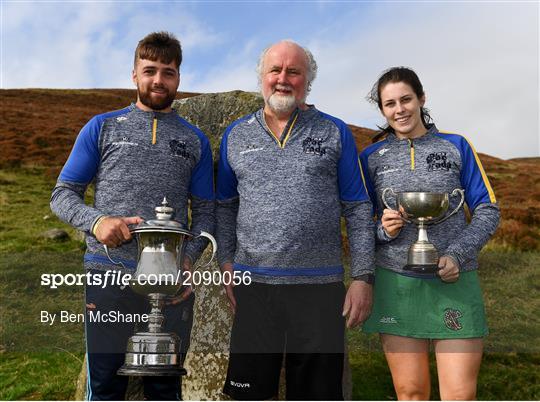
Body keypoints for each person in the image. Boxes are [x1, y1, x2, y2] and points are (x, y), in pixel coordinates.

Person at [50, 31, 214, 400]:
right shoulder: (103, 127)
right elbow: (62, 195)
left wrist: (187, 261)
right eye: (150, 70)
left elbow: (206, 212)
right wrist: (97, 222)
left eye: (168, 72)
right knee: (106, 383)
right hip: (108, 276)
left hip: (170, 285)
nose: (159, 80)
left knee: (165, 385)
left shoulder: (194, 140)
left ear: (178, 78)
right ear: (134, 74)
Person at [216, 39, 375, 400]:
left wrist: (363, 277)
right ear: (262, 78)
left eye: (294, 71)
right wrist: (226, 260)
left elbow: (358, 207)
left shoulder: (334, 132)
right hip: (253, 288)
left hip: (320, 289)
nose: (283, 78)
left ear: (308, 80)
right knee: (247, 395)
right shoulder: (236, 135)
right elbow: (224, 205)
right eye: (275, 70)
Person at [359, 66, 500, 400]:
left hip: (454, 279)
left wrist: (457, 254)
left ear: (421, 99)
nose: (399, 109)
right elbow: (359, 223)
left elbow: (487, 209)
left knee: (459, 395)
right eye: (389, 103)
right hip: (396, 283)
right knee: (410, 393)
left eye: (406, 99)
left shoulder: (457, 146)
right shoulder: (370, 158)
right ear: (382, 109)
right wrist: (382, 229)